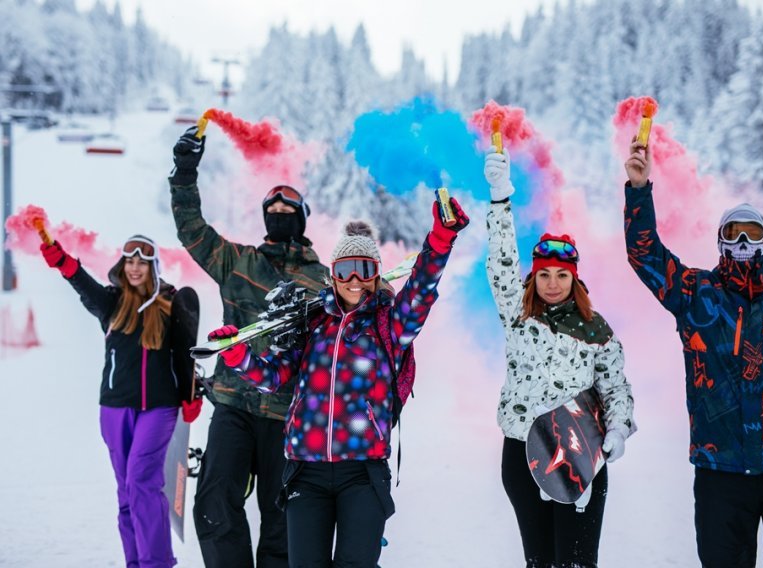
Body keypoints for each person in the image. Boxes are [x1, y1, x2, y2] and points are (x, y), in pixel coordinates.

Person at [208, 199, 469, 567]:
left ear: (376, 275)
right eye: (344, 270)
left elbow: (421, 289)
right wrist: (238, 357)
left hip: (361, 472)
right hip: (305, 471)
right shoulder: (312, 324)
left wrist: (441, 239)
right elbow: (272, 378)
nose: (353, 279)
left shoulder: (389, 326)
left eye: (364, 269)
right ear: (332, 275)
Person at [624, 140, 763, 567]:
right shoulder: (696, 294)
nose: (743, 240)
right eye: (734, 231)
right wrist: (638, 189)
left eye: (752, 232)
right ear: (720, 241)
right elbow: (645, 255)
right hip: (720, 469)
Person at [169, 125, 329, 568]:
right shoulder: (237, 262)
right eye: (271, 208)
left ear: (300, 218)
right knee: (215, 501)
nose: (278, 213)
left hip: (286, 414)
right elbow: (192, 230)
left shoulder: (323, 283)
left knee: (283, 517)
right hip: (234, 405)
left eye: (286, 208)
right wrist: (185, 171)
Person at [484, 150, 635, 568]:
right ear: (534, 275)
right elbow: (501, 263)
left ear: (575, 278)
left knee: (577, 562)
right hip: (522, 450)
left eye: (562, 275)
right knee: (539, 561)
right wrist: (500, 200)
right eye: (545, 274)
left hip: (580, 454)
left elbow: (615, 386)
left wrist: (619, 428)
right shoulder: (519, 314)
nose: (552, 283)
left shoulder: (595, 329)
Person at [39, 234, 201, 568]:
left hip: (159, 407)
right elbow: (83, 285)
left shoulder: (170, 303)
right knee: (127, 492)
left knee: (142, 480)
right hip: (115, 408)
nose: (135, 268)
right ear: (122, 265)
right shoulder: (112, 303)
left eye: (142, 261)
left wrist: (190, 394)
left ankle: (156, 563)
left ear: (153, 267)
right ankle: (136, 562)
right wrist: (63, 262)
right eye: (130, 261)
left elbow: (184, 354)